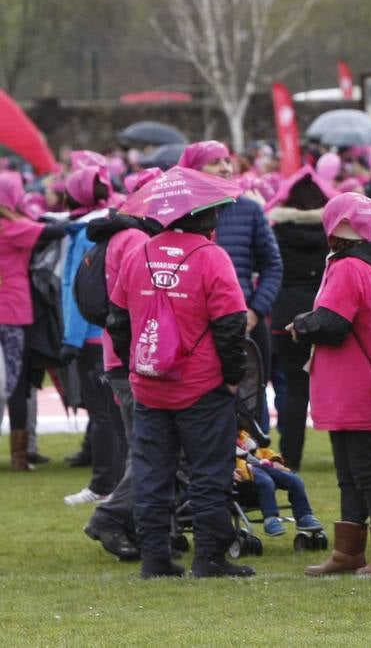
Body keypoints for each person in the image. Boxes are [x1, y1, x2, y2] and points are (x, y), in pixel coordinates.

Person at [106, 169, 253, 579]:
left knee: (152, 473)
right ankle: (209, 557)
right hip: (202, 385)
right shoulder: (210, 257)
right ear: (207, 216)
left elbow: (117, 320)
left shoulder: (139, 252)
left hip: (149, 385)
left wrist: (135, 359)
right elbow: (231, 325)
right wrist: (232, 375)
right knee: (209, 472)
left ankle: (154, 557)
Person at [290, 193, 371, 577]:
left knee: (363, 470)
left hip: (352, 381)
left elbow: (333, 323)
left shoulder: (349, 267)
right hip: (363, 380)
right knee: (354, 469)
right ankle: (349, 551)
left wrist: (301, 324)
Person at [83, 169, 165, 560]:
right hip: (133, 356)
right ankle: (111, 517)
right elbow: (139, 300)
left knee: (143, 448)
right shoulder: (135, 238)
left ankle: (135, 521)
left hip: (122, 355)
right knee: (149, 450)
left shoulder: (120, 234)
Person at [181, 142, 283, 431]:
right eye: (215, 162)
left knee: (251, 403)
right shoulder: (180, 214)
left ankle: (256, 471)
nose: (226, 168)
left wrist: (255, 310)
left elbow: (272, 265)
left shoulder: (249, 209)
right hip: (195, 325)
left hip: (246, 322)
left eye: (227, 161)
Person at [61, 163, 125, 506]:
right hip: (107, 331)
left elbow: (77, 287)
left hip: (89, 336)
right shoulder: (106, 223)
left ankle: (104, 484)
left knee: (103, 415)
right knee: (115, 414)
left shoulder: (85, 231)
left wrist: (69, 339)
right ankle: (116, 483)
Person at [266, 165, 334, 471]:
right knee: (334, 387)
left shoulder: (277, 232)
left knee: (294, 390)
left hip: (286, 313)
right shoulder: (331, 233)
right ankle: (341, 451)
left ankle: (291, 455)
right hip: (324, 313)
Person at [0, 172, 66, 472]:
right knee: (15, 383)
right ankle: (20, 456)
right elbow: (54, 232)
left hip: (10, 310)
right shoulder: (11, 227)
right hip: (13, 311)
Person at [233, 430, 321, 537]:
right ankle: (270, 518)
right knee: (267, 482)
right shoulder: (220, 439)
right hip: (245, 473)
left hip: (262, 465)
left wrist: (275, 459)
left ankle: (304, 515)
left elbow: (263, 450)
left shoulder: (245, 436)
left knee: (295, 480)